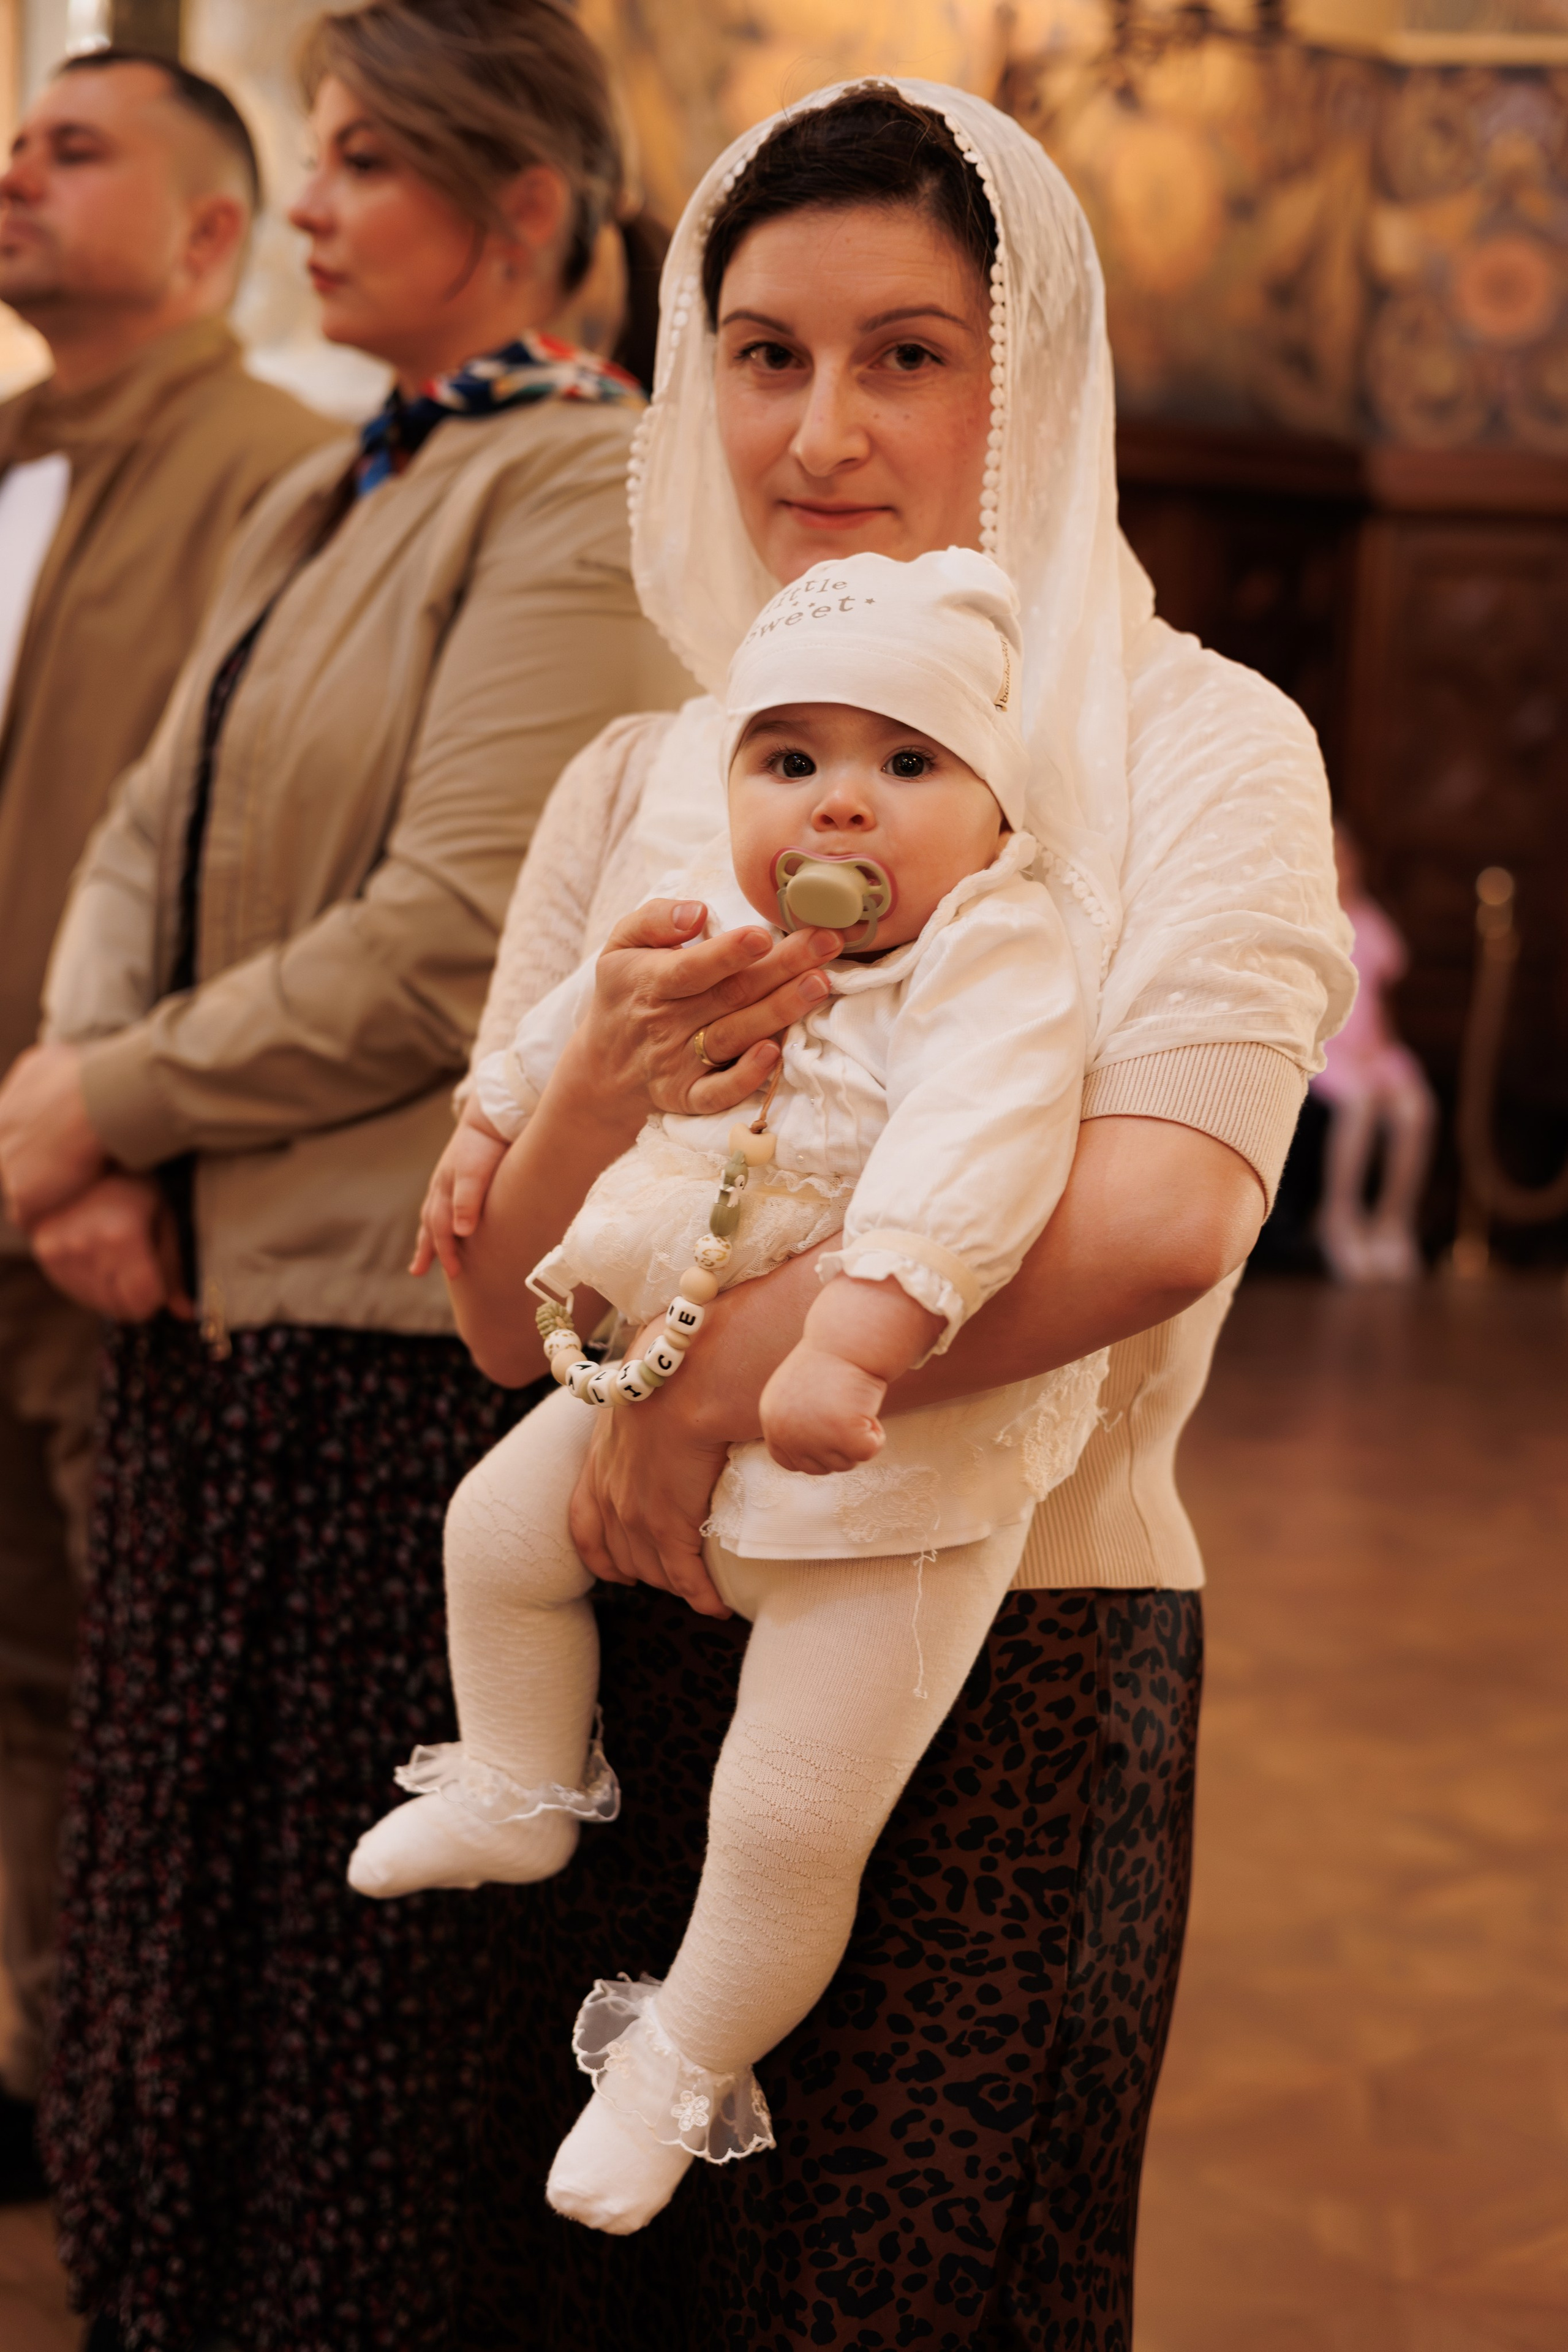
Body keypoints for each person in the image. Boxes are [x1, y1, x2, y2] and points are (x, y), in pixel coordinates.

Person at [437, 81, 1354, 2348]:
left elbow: (1150, 1214)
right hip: (614, 1648)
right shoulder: (650, 771)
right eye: (761, 352)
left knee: (908, 2294)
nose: (818, 426)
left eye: (906, 352)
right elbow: (478, 1309)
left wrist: (682, 1393)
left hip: (1004, 1644)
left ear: (1031, 373)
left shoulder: (1195, 741)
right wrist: (582, 1095)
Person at [0, 1, 688, 2343]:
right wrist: (92, 1117)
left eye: (365, 163)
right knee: (161, 1988)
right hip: (222, 1316)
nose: (306, 206)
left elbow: (449, 941)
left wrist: (109, 1106)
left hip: (395, 1357)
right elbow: (135, 835)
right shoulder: (343, 473)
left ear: (526, 211)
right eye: (309, 151)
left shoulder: (576, 482)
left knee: (342, 2046)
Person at [350, 549, 1114, 2237]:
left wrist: (855, 1338)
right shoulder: (719, 910)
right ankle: (512, 1776)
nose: (840, 808)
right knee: (491, 1526)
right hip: (672, 1357)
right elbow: (567, 1020)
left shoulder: (997, 952)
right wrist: (489, 1125)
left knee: (785, 1814)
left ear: (995, 811)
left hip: (893, 1447)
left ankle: (677, 2064)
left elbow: (982, 1144)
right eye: (793, 763)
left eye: (907, 766)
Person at [0, 46, 335, 2204]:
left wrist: (136, 1144)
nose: (17, 168)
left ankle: (174, 2119)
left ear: (218, 231)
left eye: (75, 146)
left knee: (154, 1672)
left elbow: (263, 847)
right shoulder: (11, 454)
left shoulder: (283, 471)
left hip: (121, 1179)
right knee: (21, 1660)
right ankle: (51, 2072)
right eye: (18, 139)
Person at [1311, 822, 1435, 1283]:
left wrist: (1383, 1051)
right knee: (1359, 1103)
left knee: (1414, 1108)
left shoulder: (1371, 919)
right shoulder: (1312, 919)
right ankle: (1338, 1216)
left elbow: (1380, 1001)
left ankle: (1392, 1220)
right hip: (1327, 1046)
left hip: (1373, 1047)